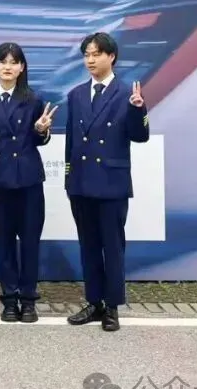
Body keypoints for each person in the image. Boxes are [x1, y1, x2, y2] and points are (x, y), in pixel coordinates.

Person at [64, 32, 149, 332]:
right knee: (88, 245)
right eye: (86, 54)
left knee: (112, 246)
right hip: (81, 182)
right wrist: (69, 178)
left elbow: (140, 136)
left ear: (111, 56)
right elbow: (72, 141)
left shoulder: (126, 93)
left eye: (96, 54)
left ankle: (112, 305)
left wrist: (138, 110)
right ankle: (94, 301)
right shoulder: (76, 95)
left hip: (111, 183)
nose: (90, 60)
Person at [0, 42, 56, 323]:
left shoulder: (33, 99)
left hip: (28, 181)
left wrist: (42, 131)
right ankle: (9, 299)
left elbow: (39, 140)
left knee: (30, 242)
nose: (8, 67)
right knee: (5, 242)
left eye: (14, 62)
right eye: (3, 61)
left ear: (22, 67)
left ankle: (29, 300)